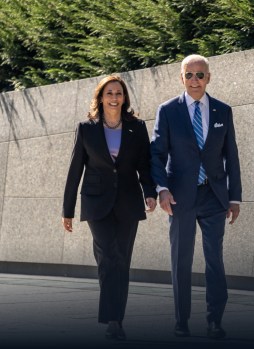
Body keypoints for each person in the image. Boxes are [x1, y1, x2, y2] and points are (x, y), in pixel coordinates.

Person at [150, 54, 242, 339]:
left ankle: (215, 320)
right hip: (180, 198)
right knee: (181, 259)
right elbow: (157, 154)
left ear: (208, 77)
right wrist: (162, 189)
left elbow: (232, 156)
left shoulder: (222, 111)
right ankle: (182, 321)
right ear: (181, 78)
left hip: (214, 197)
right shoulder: (168, 110)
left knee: (215, 259)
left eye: (200, 75)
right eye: (189, 75)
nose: (194, 80)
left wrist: (235, 197)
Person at [62, 75, 157, 341]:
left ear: (124, 98)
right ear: (101, 97)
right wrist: (67, 210)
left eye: (118, 93)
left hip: (128, 201)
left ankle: (116, 319)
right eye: (109, 93)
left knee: (121, 260)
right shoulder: (86, 128)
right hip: (96, 202)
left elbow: (144, 164)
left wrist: (150, 193)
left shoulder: (136, 127)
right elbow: (74, 170)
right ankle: (112, 319)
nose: (114, 98)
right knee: (109, 256)